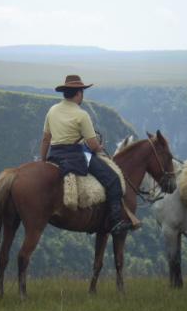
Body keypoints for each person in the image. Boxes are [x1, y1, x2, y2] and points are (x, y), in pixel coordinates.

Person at [40, 74, 131, 235]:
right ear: (79, 93)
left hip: (54, 154)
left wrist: (42, 160)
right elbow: (93, 145)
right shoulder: (82, 114)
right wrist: (99, 147)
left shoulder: (52, 110)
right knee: (113, 180)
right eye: (82, 92)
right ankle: (116, 222)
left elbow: (46, 139)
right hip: (77, 155)